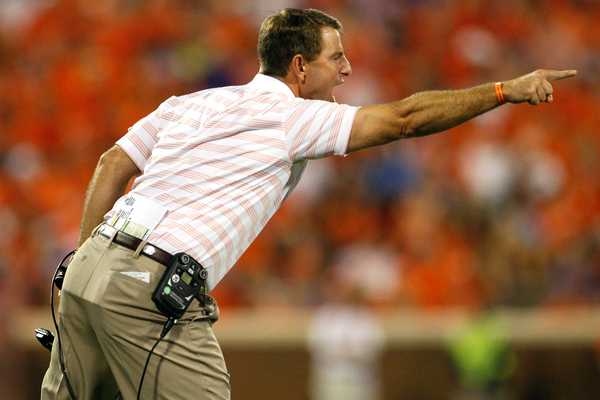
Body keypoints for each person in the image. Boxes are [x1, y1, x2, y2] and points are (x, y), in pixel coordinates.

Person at [40, 7, 576, 400]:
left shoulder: (191, 101)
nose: (346, 70)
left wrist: (85, 268)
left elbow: (113, 164)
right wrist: (504, 90)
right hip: (148, 289)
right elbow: (406, 119)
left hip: (87, 268)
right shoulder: (292, 117)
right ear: (300, 67)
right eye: (336, 57)